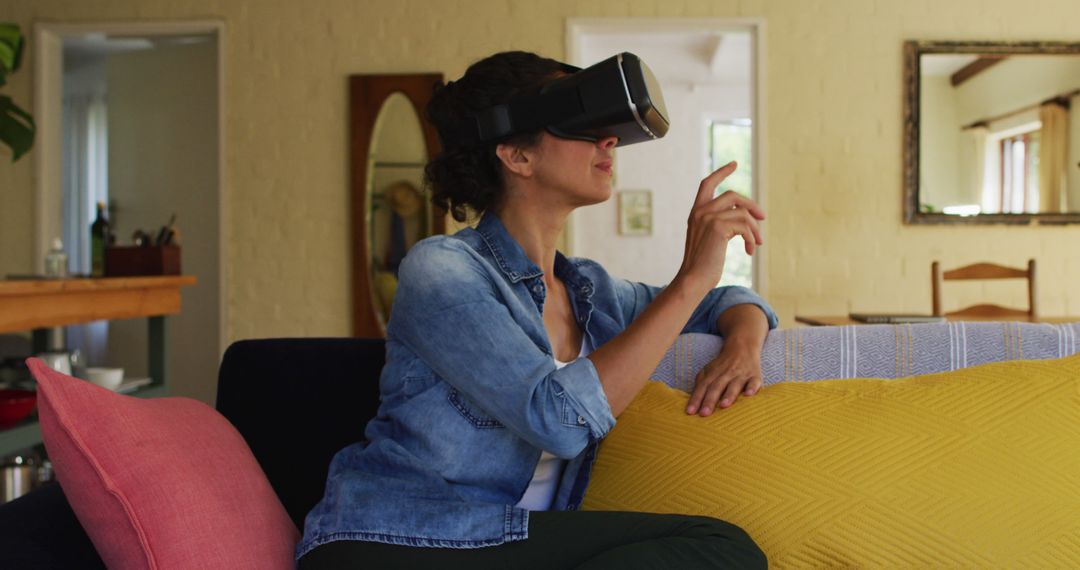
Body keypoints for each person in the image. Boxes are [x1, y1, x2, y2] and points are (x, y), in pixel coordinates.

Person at [298, 51, 778, 569]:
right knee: (718, 548)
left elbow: (727, 302)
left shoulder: (592, 290)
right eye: (581, 126)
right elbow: (559, 422)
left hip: (504, 540)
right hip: (396, 537)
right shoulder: (441, 269)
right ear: (517, 156)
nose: (609, 139)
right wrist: (690, 278)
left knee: (723, 552)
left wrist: (744, 345)